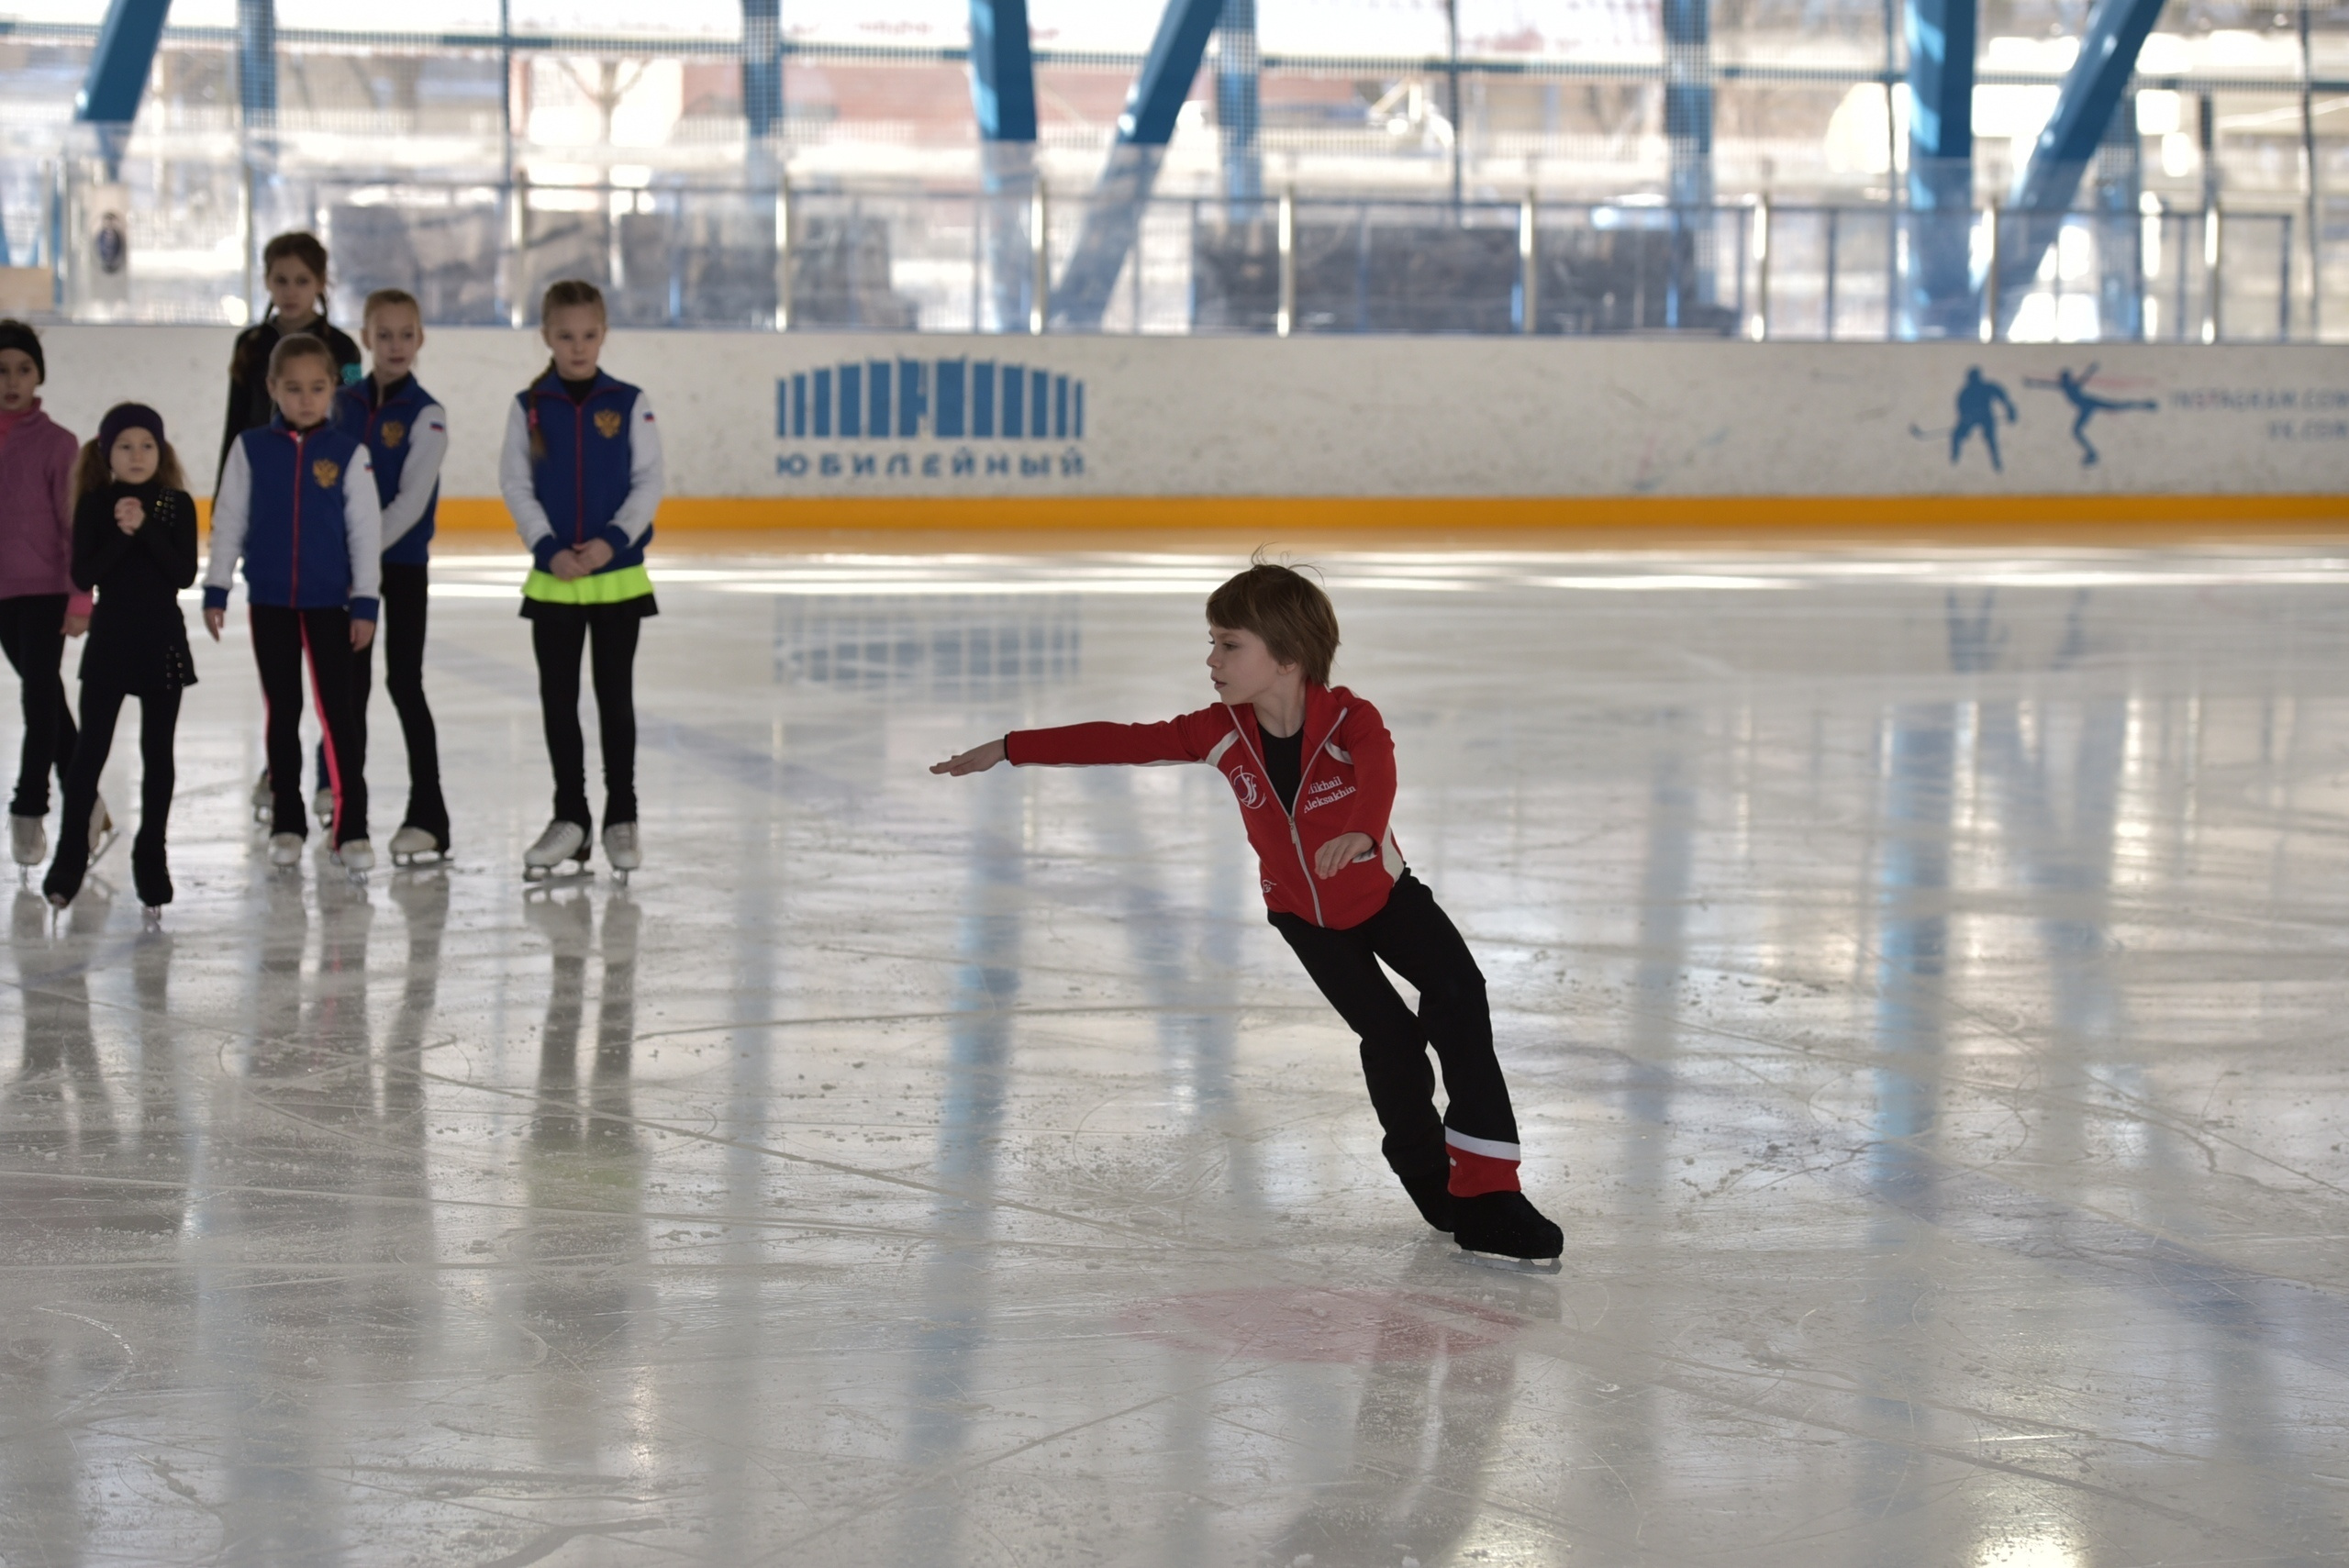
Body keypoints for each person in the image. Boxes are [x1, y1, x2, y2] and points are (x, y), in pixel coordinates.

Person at [930, 560, 1566, 1265]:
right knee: (1391, 1039)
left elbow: (1379, 768)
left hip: (1385, 895)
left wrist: (1360, 827)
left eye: (1229, 644)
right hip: (1304, 918)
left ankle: (1490, 1195)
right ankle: (1429, 1179)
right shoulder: (1220, 731)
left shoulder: (1353, 718)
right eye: (1212, 642)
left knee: (1458, 994)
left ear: (1288, 655)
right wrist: (1011, 748)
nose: (1211, 659)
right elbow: (1123, 740)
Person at [498, 279, 662, 884]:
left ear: (603, 333)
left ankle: (623, 815)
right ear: (546, 336)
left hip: (615, 578)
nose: (577, 346)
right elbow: (515, 483)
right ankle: (571, 817)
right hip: (555, 582)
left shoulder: (628, 401)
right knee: (558, 703)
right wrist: (547, 549)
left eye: (588, 334)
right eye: (565, 335)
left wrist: (610, 542)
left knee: (614, 700)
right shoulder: (528, 407)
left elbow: (648, 481)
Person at [203, 333, 380, 873]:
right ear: (273, 388)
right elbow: (229, 520)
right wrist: (217, 585)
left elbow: (365, 532)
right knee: (282, 714)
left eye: (318, 388)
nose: (306, 399)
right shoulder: (250, 448)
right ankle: (287, 820)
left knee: (340, 718)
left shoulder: (349, 454)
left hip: (332, 604)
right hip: (272, 602)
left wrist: (366, 602)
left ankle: (351, 828)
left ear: (333, 391)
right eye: (294, 388)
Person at [218, 231, 362, 828]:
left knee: (332, 669)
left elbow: (351, 426)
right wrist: (226, 514)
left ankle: (332, 772)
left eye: (303, 280)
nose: (292, 290)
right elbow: (235, 427)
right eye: (281, 280)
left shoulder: (344, 346)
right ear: (267, 282)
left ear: (322, 283)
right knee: (280, 669)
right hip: (270, 512)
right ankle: (281, 770)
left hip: (326, 512)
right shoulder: (252, 346)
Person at [43, 405, 198, 921]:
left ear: (161, 451)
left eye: (147, 445)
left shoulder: (177, 504)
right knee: (90, 752)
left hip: (162, 642)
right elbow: (85, 572)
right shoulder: (93, 504)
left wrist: (147, 525)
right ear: (107, 453)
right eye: (125, 446)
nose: (137, 455)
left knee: (159, 754)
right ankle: (70, 857)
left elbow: (182, 574)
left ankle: (150, 856)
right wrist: (122, 532)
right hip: (110, 641)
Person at [334, 288, 450, 867]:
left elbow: (409, 502)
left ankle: (429, 814)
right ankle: (345, 807)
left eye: (407, 334)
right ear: (366, 338)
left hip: (400, 569)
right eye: (385, 335)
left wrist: (361, 549)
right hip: (344, 576)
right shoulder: (340, 404)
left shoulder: (427, 415)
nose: (396, 345)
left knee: (404, 683)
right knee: (346, 688)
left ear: (421, 338)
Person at [0, 318, 104, 873]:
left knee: (38, 699)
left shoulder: (59, 444)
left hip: (44, 592)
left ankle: (28, 805)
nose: (12, 381)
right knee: (49, 702)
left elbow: (73, 529)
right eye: (1, 371)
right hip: (2, 597)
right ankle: (87, 804)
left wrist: (78, 598)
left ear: (39, 373)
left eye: (24, 369)